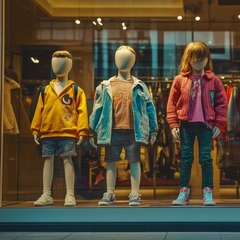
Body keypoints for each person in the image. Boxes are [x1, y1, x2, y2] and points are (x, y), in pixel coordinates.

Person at [89, 45, 157, 206]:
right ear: (114, 60)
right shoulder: (106, 85)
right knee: (111, 161)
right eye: (120, 58)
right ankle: (110, 193)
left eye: (127, 58)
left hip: (134, 131)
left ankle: (134, 193)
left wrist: (153, 129)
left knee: (134, 161)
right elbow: (98, 108)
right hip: (112, 130)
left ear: (133, 62)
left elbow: (150, 108)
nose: (123, 61)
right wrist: (91, 130)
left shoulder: (140, 85)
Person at [167, 41, 227, 206]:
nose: (199, 62)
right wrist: (173, 124)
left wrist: (219, 123)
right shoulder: (180, 80)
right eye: (195, 58)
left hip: (206, 125)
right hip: (186, 124)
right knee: (186, 158)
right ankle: (184, 192)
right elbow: (171, 103)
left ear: (207, 59)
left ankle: (207, 191)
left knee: (206, 158)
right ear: (189, 59)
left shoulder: (213, 80)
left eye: (202, 58)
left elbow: (222, 102)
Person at [31, 50, 89, 207]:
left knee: (67, 160)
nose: (58, 66)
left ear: (70, 66)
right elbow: (39, 111)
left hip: (68, 132)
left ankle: (70, 194)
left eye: (62, 63)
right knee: (48, 161)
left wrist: (82, 130)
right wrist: (35, 129)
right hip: (47, 132)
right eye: (55, 63)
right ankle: (46, 194)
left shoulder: (76, 90)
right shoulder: (45, 91)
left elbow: (82, 112)